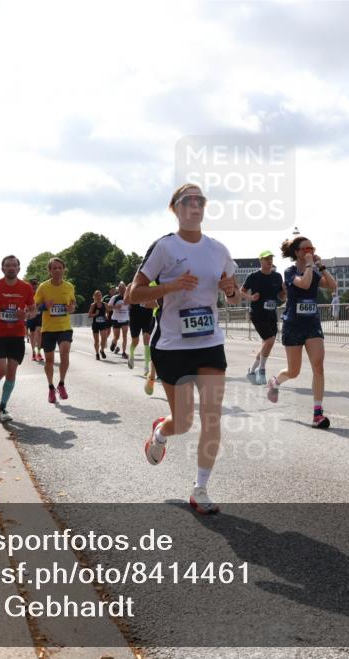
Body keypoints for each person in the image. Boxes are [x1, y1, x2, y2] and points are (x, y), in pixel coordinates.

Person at [127, 183, 240, 515]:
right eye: (187, 201)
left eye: (200, 201)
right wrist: (172, 285)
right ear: (174, 209)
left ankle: (200, 488)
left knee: (212, 416)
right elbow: (135, 294)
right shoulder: (164, 247)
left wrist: (230, 289)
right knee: (185, 422)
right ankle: (162, 431)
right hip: (173, 344)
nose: (195, 205)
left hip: (209, 342)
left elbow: (233, 296)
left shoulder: (218, 249)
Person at [266, 236, 337, 429]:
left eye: (312, 249)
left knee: (318, 366)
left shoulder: (313, 271)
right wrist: (309, 266)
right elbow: (304, 284)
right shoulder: (289, 272)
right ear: (297, 252)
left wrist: (320, 266)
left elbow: (333, 286)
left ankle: (317, 414)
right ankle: (275, 382)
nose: (310, 252)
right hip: (293, 324)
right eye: (306, 249)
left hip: (312, 324)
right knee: (294, 371)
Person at [0, 255, 37, 422]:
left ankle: (3, 408)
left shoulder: (26, 288)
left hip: (17, 335)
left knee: (11, 373)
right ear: (2, 269)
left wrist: (26, 314)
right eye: (8, 265)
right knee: (1, 369)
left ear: (19, 268)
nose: (11, 268)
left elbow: (33, 311)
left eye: (14, 265)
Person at [35, 257, 76, 404]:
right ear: (49, 271)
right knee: (50, 361)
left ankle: (62, 384)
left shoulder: (69, 286)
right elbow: (34, 307)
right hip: (48, 329)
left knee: (65, 353)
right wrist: (44, 306)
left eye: (60, 267)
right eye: (54, 268)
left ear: (64, 269)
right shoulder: (43, 287)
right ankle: (51, 387)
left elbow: (72, 304)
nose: (58, 270)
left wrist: (71, 308)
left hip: (64, 327)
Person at [241, 250, 285, 385]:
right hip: (257, 313)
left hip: (271, 314)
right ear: (260, 261)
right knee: (270, 340)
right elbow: (241, 291)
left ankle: (251, 370)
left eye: (271, 258)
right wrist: (251, 297)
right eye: (266, 258)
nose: (269, 260)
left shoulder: (277, 277)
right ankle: (262, 370)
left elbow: (281, 296)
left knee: (267, 344)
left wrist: (285, 294)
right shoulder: (253, 276)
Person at [127, 282, 158, 373]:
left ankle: (146, 366)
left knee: (146, 340)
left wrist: (148, 303)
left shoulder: (151, 288)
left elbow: (156, 304)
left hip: (147, 317)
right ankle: (131, 354)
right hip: (135, 317)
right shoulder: (132, 286)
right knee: (135, 341)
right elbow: (127, 300)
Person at [107, 282, 131, 358]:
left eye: (123, 288)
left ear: (126, 289)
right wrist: (115, 307)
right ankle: (114, 342)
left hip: (125, 318)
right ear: (118, 290)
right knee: (117, 337)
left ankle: (124, 352)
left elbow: (131, 307)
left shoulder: (128, 297)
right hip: (116, 319)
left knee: (125, 336)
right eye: (120, 289)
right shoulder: (114, 298)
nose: (122, 290)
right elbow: (108, 307)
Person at [26, 279, 45, 363]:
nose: (34, 287)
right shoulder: (27, 293)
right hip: (30, 316)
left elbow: (45, 303)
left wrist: (41, 305)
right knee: (32, 335)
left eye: (35, 285)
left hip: (39, 315)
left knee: (39, 332)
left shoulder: (41, 293)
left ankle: (39, 352)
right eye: (33, 285)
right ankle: (33, 352)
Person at [88, 290, 109, 360]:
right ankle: (97, 353)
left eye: (100, 295)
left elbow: (109, 310)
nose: (99, 297)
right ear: (94, 297)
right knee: (96, 340)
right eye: (97, 295)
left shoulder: (104, 304)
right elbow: (89, 315)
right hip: (96, 324)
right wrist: (95, 314)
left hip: (103, 324)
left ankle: (102, 350)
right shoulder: (93, 305)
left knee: (104, 339)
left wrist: (106, 315)